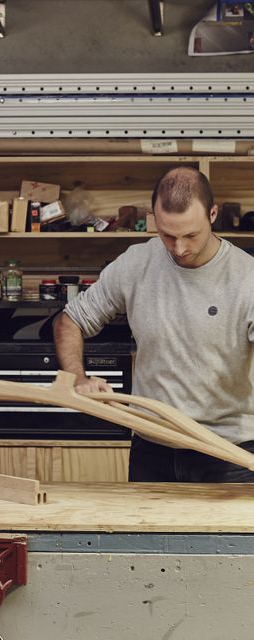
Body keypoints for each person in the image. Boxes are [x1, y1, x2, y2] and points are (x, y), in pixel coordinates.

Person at [53, 166, 254, 482]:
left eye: (191, 235)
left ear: (213, 214)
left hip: (227, 455)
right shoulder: (136, 263)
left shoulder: (247, 278)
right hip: (152, 449)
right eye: (168, 235)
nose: (179, 249)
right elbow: (72, 320)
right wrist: (77, 378)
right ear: (154, 219)